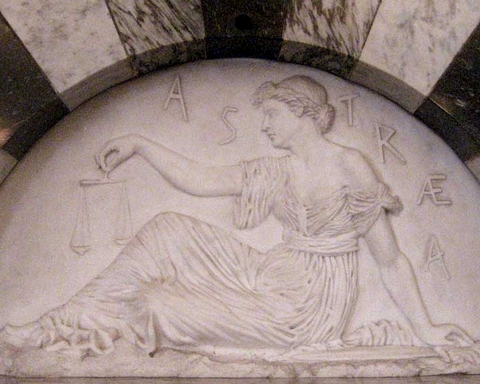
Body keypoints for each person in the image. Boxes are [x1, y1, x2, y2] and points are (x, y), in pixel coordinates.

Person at [3, 75, 473, 358]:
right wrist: (141, 145)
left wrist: (426, 329)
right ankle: (59, 323)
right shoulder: (276, 170)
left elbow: (389, 259)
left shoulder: (351, 165)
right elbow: (201, 179)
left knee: (155, 305)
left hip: (307, 307)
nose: (264, 126)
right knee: (167, 228)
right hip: (270, 272)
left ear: (303, 113)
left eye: (272, 115)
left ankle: (88, 328)